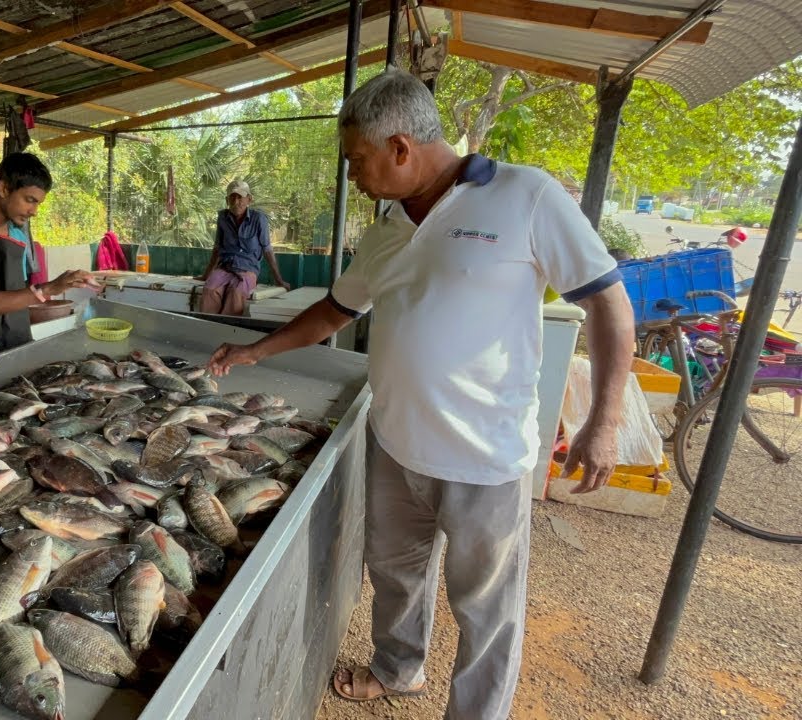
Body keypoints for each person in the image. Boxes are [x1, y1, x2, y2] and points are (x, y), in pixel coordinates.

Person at [207, 69, 634, 719]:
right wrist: (254, 350)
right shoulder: (386, 229)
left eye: (357, 159)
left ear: (401, 148)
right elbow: (335, 311)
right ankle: (397, 670)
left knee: (486, 609)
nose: (353, 174)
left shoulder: (526, 196)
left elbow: (608, 304)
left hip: (485, 459)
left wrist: (604, 421)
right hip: (396, 446)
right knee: (396, 575)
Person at [0, 153, 99, 351]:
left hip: (17, 341)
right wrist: (48, 289)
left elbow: (19, 295)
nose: (34, 211)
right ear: (4, 189)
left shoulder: (18, 236)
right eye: (29, 200)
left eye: (38, 203)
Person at [197, 180, 290, 315]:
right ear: (227, 200)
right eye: (232, 197)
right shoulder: (222, 217)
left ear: (249, 199)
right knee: (209, 290)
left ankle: (227, 327)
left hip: (247, 270)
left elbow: (267, 250)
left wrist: (279, 280)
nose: (236, 202)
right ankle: (207, 324)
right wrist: (206, 275)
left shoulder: (258, 219)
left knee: (236, 293)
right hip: (225, 267)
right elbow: (217, 248)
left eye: (240, 197)